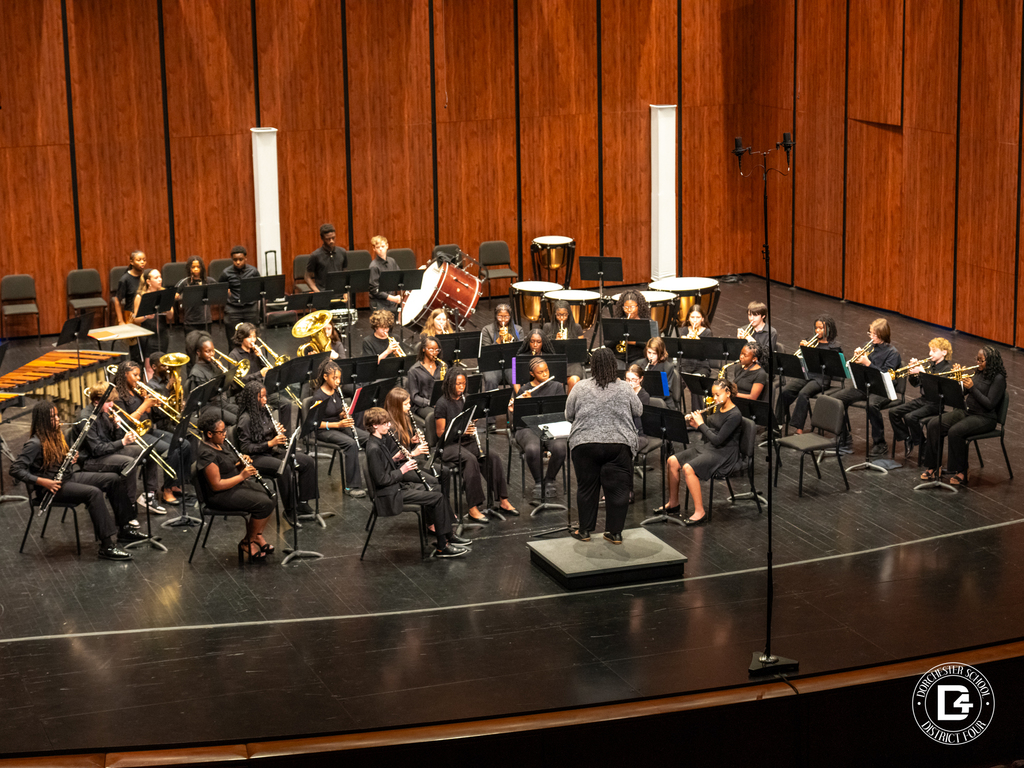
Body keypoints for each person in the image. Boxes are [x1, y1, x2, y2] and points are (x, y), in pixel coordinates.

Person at [11, 401, 135, 560]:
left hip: (67, 477)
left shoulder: (55, 436)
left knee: (113, 479)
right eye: (52, 417)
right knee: (94, 493)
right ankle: (107, 546)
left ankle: (125, 529)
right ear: (42, 421)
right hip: (51, 488)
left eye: (56, 415)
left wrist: (69, 459)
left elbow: (55, 463)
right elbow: (15, 469)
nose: (57, 419)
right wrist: (42, 482)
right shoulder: (34, 443)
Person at [363, 407, 472, 558]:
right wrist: (403, 469)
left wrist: (397, 459)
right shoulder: (373, 448)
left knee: (437, 488)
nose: (389, 426)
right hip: (390, 495)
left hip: (396, 487)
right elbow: (382, 479)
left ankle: (448, 536)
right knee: (438, 497)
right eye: (385, 423)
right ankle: (442, 547)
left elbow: (385, 466)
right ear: (375, 425)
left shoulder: (380, 441)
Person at [565, 347, 642, 543]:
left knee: (586, 488)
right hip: (618, 445)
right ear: (614, 366)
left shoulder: (580, 387)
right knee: (618, 490)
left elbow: (569, 415)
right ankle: (614, 533)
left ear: (592, 366)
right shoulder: (625, 387)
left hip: (584, 445)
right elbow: (638, 411)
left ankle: (584, 531)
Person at [434, 366, 517, 523]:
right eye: (458, 384)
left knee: (492, 456)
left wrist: (474, 420)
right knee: (471, 460)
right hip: (448, 445)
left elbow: (470, 419)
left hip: (467, 441)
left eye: (464, 384)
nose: (461, 387)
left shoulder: (467, 399)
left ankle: (503, 499)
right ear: (450, 383)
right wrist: (462, 430)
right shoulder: (442, 403)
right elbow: (440, 433)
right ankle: (473, 508)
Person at [654, 379, 742, 526]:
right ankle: (674, 503)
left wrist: (701, 424)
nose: (715, 398)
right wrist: (696, 425)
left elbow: (718, 440)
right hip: (711, 447)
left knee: (689, 468)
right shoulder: (720, 407)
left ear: (727, 392)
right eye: (713, 394)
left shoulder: (735, 415)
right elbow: (713, 431)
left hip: (725, 453)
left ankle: (700, 511)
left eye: (718, 394)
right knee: (672, 461)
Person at [195, 412, 276, 563]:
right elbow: (216, 485)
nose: (225, 435)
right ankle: (247, 542)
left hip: (234, 485)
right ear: (209, 434)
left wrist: (241, 463)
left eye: (225, 431)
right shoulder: (206, 454)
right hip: (220, 496)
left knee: (271, 495)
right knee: (264, 503)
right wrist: (242, 475)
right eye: (221, 432)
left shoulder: (220, 443)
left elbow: (229, 466)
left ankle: (256, 535)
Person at [920, 346, 1006, 487]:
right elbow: (961, 395)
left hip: (985, 417)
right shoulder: (978, 372)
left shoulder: (998, 379)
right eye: (977, 359)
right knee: (934, 424)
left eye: (981, 360)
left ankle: (961, 470)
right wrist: (958, 381)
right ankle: (934, 466)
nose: (978, 363)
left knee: (956, 432)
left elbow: (990, 404)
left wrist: (972, 387)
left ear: (991, 361)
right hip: (967, 411)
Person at [115, 360, 193, 509]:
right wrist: (145, 404)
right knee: (173, 448)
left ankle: (175, 483)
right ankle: (166, 490)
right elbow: (124, 422)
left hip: (147, 429)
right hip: (134, 434)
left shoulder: (136, 390)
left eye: (139, 375)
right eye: (135, 375)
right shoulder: (118, 395)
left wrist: (148, 401)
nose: (139, 378)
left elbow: (148, 413)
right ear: (125, 375)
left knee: (185, 443)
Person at [236, 382, 318, 523]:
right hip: (256, 458)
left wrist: (275, 431)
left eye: (265, 396)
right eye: (261, 397)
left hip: (270, 451)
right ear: (252, 399)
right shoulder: (245, 419)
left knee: (307, 462)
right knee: (284, 468)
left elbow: (264, 432)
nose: (265, 400)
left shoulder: (264, 411)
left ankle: (303, 503)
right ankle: (290, 510)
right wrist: (271, 442)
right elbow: (245, 448)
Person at [77, 386, 149, 537]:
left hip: (105, 453)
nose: (112, 406)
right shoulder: (86, 419)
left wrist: (117, 428)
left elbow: (110, 441)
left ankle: (136, 500)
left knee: (143, 451)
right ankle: (129, 507)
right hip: (91, 460)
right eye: (109, 402)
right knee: (129, 463)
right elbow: (97, 449)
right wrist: (122, 442)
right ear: (97, 401)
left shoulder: (103, 412)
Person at [833, 318, 901, 456]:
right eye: (870, 333)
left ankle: (880, 443)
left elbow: (885, 377)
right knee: (836, 399)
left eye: (874, 335)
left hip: (883, 390)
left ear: (883, 334)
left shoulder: (893, 353)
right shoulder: (868, 346)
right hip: (864, 386)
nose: (871, 337)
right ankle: (844, 436)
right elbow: (859, 370)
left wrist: (868, 363)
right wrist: (857, 361)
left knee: (872, 405)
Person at [508, 357, 567, 501]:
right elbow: (518, 420)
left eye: (546, 370)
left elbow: (561, 413)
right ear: (532, 374)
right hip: (528, 428)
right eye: (540, 372)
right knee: (533, 449)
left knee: (560, 448)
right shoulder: (524, 389)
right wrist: (518, 406)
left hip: (550, 425)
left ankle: (550, 480)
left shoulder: (557, 387)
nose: (545, 374)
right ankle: (539, 482)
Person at [775, 314, 842, 434]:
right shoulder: (811, 342)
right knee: (785, 391)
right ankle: (777, 425)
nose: (818, 331)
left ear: (829, 329)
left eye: (821, 328)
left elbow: (836, 367)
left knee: (803, 393)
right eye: (816, 328)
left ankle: (798, 428)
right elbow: (801, 361)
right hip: (807, 375)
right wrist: (803, 349)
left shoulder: (834, 347)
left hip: (821, 379)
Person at [888, 337, 953, 456]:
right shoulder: (929, 365)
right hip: (923, 400)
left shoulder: (947, 369)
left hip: (935, 403)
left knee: (910, 417)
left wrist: (922, 373)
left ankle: (922, 444)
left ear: (944, 352)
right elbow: (915, 384)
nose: (930, 354)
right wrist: (913, 374)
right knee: (893, 411)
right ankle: (907, 437)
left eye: (934, 351)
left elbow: (935, 389)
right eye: (930, 350)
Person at [312, 360, 367, 498]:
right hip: (324, 430)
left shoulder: (336, 391)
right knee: (351, 444)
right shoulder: (318, 397)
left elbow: (335, 412)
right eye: (334, 378)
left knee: (368, 438)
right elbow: (315, 423)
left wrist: (343, 414)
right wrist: (339, 424)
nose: (337, 381)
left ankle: (376, 477)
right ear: (325, 377)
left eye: (339, 378)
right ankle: (351, 486)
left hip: (339, 424)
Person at [186, 336, 239, 426]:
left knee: (242, 413)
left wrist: (223, 373)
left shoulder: (213, 365)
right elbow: (205, 397)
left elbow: (224, 388)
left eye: (213, 351)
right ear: (198, 353)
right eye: (207, 351)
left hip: (219, 402)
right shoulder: (196, 372)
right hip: (206, 407)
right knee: (236, 420)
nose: (211, 354)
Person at [130, 268, 170, 369]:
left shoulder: (164, 293)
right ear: (148, 281)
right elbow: (136, 318)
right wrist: (146, 316)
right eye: (156, 278)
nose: (160, 280)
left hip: (162, 333)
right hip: (148, 336)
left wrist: (168, 309)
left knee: (162, 364)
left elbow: (170, 316)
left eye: (160, 277)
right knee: (149, 367)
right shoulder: (140, 296)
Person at [542, 300, 585, 391]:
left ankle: (569, 405)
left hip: (572, 362)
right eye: (558, 315)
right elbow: (544, 349)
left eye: (564, 314)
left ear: (569, 314)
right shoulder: (547, 327)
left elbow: (581, 350)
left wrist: (568, 343)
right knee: (557, 384)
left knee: (574, 380)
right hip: (555, 362)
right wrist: (555, 341)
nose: (562, 317)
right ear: (554, 314)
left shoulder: (576, 327)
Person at [607, 290, 658, 365]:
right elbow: (607, 344)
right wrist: (618, 337)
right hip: (619, 357)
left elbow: (655, 344)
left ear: (639, 306)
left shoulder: (649, 323)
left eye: (632, 307)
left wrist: (634, 342)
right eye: (626, 307)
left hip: (639, 358)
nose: (629, 310)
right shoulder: (618, 322)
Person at [480, 303, 524, 391]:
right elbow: (486, 353)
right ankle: (492, 404)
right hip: (492, 365)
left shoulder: (518, 330)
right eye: (500, 316)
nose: (503, 320)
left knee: (515, 379)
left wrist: (512, 341)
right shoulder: (487, 330)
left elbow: (522, 350)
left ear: (510, 317)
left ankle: (518, 402)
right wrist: (499, 340)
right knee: (490, 380)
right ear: (495, 316)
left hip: (511, 364)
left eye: (506, 317)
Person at [219, 246, 261, 332]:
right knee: (233, 337)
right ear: (232, 259)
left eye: (240, 259)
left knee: (252, 336)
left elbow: (259, 287)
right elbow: (219, 288)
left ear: (245, 258)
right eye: (235, 260)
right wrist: (228, 295)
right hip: (233, 308)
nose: (238, 262)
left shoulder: (253, 271)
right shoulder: (226, 273)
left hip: (250, 307)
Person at [407, 337, 446, 422]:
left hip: (439, 403)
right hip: (421, 406)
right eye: (431, 349)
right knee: (438, 415)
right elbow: (414, 397)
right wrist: (429, 403)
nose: (434, 353)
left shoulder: (442, 366)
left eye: (437, 350)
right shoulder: (414, 370)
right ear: (424, 349)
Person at [305, 223, 348, 300]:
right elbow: (307, 276)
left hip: (340, 295)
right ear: (322, 238)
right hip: (323, 295)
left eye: (333, 238)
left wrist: (345, 292)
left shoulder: (342, 252)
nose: (331, 241)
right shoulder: (315, 255)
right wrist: (317, 292)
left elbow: (344, 273)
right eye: (328, 239)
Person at [174, 256, 215, 334]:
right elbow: (174, 293)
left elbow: (218, 291)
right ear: (189, 268)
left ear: (202, 268)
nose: (196, 269)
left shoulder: (209, 281)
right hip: (190, 321)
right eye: (193, 267)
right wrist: (177, 296)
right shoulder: (184, 282)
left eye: (198, 267)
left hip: (205, 320)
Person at [513, 329, 555, 393]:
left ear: (543, 343)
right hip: (526, 390)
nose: (535, 345)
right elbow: (514, 379)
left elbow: (557, 379)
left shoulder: (550, 357)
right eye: (532, 342)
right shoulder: (520, 357)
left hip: (546, 388)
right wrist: (520, 395)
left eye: (538, 342)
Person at [368, 235, 402, 312]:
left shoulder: (392, 261)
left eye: (383, 246)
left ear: (387, 246)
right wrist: (393, 298)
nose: (380, 249)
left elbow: (399, 277)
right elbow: (374, 290)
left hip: (391, 303)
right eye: (378, 247)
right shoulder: (373, 266)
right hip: (379, 304)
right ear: (374, 249)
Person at [679, 305, 713, 377]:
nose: (695, 320)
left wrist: (698, 341)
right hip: (685, 365)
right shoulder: (685, 330)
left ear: (702, 319)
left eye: (698, 317)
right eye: (692, 317)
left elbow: (706, 353)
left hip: (701, 365)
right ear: (688, 318)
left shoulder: (707, 332)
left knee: (696, 380)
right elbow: (682, 348)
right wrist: (687, 340)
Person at [114, 249, 147, 325]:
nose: (142, 262)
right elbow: (117, 300)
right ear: (131, 262)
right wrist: (120, 321)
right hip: (131, 315)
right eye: (139, 260)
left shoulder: (146, 276)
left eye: (144, 260)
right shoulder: (125, 279)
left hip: (145, 314)